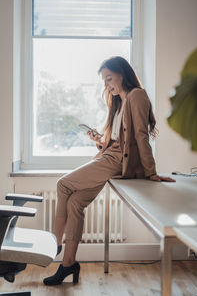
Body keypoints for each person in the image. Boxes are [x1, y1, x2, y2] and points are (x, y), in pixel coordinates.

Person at [43, 56, 175, 286]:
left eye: (109, 78)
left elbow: (141, 136)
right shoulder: (117, 102)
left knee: (63, 184)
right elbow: (116, 140)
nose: (107, 84)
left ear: (122, 74)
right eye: (104, 81)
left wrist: (151, 171)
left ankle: (54, 242)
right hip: (109, 155)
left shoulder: (137, 96)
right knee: (74, 202)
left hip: (115, 161)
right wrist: (99, 141)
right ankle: (68, 265)